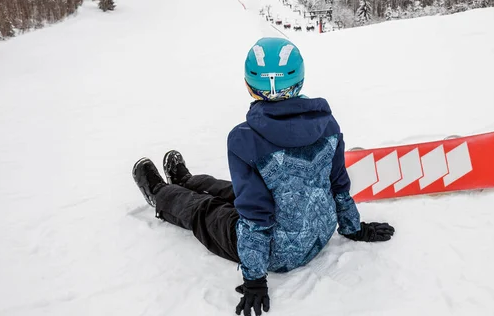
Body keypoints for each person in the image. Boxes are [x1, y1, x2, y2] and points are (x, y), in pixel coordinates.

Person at [132, 37, 395, 316]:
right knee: (232, 191)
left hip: (277, 252)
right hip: (319, 232)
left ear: (249, 86)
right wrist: (354, 228)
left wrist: (255, 279)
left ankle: (160, 194)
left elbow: (256, 216)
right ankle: (187, 181)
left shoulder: (244, 138)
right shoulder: (328, 124)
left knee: (206, 211)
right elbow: (339, 185)